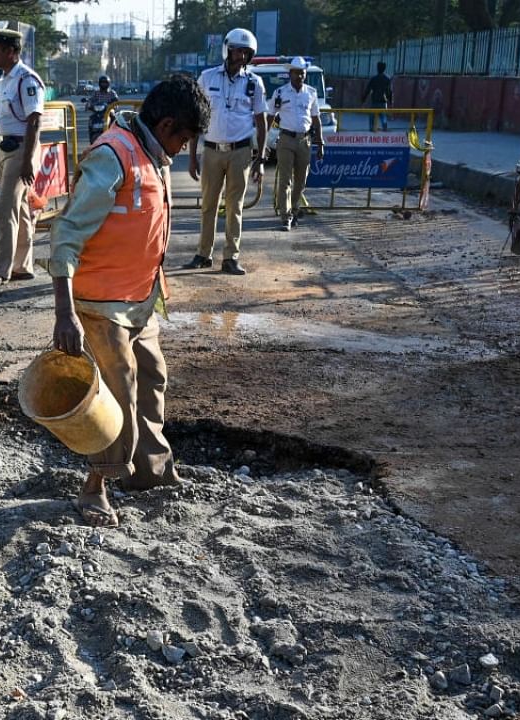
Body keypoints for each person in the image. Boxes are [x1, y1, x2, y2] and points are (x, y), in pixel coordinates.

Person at [48, 75, 210, 527]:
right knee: (117, 390)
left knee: (152, 378)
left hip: (140, 299)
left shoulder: (155, 156)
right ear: (166, 123)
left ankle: (151, 472)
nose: (184, 148)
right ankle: (94, 488)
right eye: (183, 138)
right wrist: (65, 313)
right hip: (100, 303)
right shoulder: (112, 156)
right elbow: (66, 235)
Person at [184, 28, 268, 276]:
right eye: (237, 51)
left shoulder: (255, 83)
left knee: (235, 206)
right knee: (208, 205)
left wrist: (260, 159)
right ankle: (203, 254)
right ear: (227, 50)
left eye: (246, 52)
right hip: (211, 151)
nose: (240, 56)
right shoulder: (207, 78)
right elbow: (196, 118)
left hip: (240, 152)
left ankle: (231, 257)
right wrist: (192, 156)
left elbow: (261, 122)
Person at [0, 25, 45, 287]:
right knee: (19, 209)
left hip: (20, 150)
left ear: (11, 51)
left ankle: (0, 270)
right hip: (4, 149)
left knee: (4, 209)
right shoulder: (5, 79)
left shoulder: (26, 79)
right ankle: (22, 266)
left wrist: (29, 159)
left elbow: (34, 121)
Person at [269, 56, 324, 231]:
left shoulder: (311, 93)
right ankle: (285, 216)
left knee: (301, 180)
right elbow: (270, 116)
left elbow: (316, 119)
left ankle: (294, 209)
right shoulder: (280, 93)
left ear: (305, 74)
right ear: (290, 74)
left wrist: (320, 142)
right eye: (295, 73)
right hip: (286, 139)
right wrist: (263, 140)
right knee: (285, 180)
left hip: (305, 141)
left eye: (302, 73)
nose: (299, 76)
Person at [362, 61, 393, 131]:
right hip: (383, 102)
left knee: (372, 116)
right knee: (383, 116)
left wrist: (363, 100)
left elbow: (367, 90)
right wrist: (391, 101)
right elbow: (389, 91)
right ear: (384, 69)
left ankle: (371, 127)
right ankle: (384, 126)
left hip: (375, 101)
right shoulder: (387, 79)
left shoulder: (374, 79)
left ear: (377, 68)